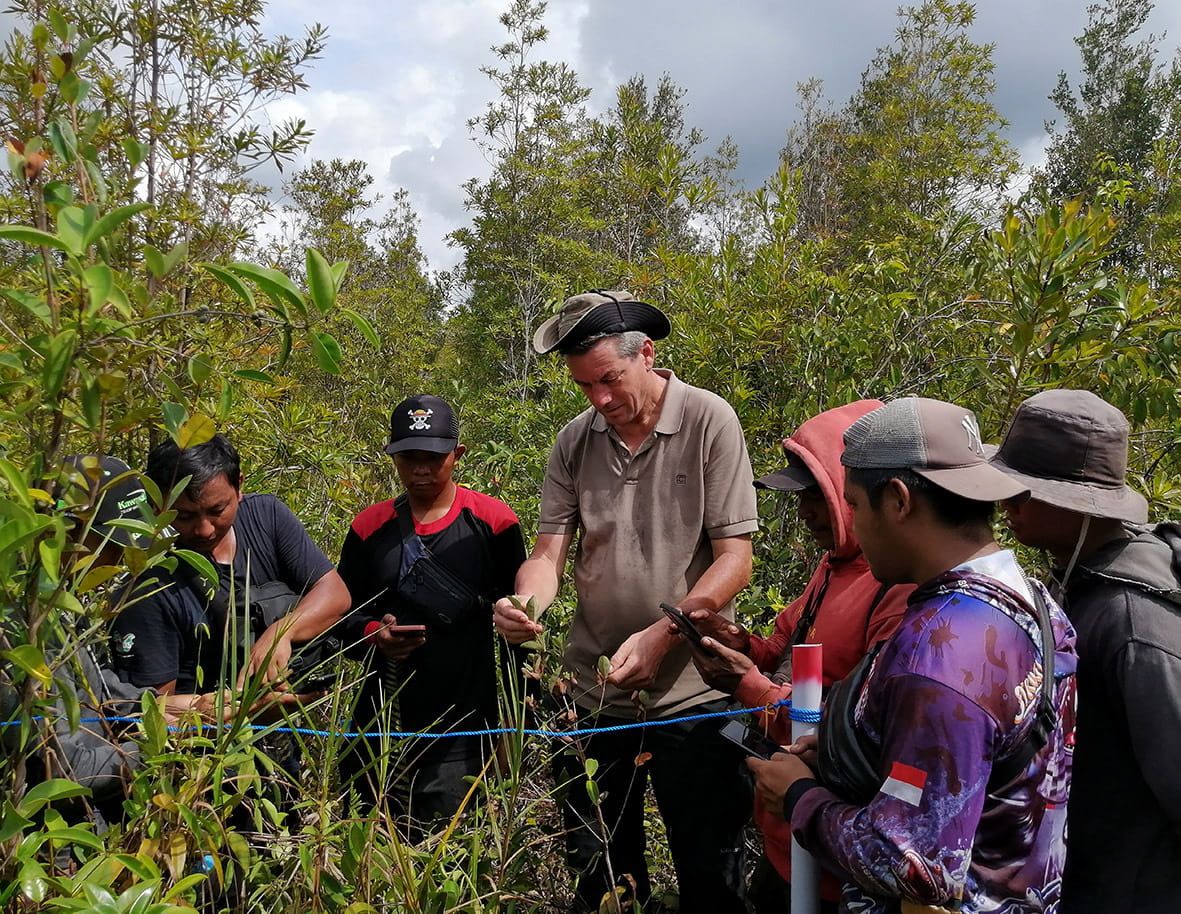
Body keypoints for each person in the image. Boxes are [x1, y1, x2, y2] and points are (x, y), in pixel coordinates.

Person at [746, 397, 1078, 913]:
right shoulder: (1031, 600)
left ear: (898, 501)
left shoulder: (939, 655)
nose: (851, 526)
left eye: (855, 505)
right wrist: (846, 751)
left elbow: (915, 866)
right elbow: (976, 767)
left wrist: (800, 798)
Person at [493, 290, 758, 914]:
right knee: (602, 873)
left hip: (693, 693)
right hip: (593, 692)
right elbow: (549, 552)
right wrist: (526, 602)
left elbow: (734, 559)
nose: (600, 400)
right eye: (585, 386)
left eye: (609, 380)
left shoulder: (708, 420)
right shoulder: (575, 441)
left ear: (647, 354)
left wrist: (665, 633)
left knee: (709, 869)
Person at [675, 401, 913, 913]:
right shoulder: (835, 566)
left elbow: (862, 727)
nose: (804, 512)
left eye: (815, 495)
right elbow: (786, 653)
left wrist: (747, 686)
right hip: (790, 838)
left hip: (841, 861)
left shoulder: (895, 587)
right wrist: (741, 645)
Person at [989, 389, 1181, 913]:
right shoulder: (1076, 580)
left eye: (1024, 490)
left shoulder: (1135, 622)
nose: (1008, 503)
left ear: (1073, 500)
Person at [336, 394, 526, 827]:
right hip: (380, 719)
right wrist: (372, 633)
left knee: (450, 851)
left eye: (432, 458)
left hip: (463, 725)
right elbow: (338, 615)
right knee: (368, 843)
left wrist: (513, 725)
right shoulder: (369, 528)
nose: (420, 469)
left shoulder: (494, 523)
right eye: (407, 458)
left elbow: (517, 626)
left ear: (457, 455)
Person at [1, 456, 217, 828]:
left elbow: (96, 691)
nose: (120, 561)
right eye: (113, 546)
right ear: (67, 533)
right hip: (46, 839)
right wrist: (159, 740)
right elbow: (69, 769)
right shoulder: (20, 629)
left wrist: (188, 708)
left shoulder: (55, 604)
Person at [110, 434, 350, 696]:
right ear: (157, 506)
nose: (204, 530)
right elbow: (156, 710)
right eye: (185, 515)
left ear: (239, 487)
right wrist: (246, 713)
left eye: (217, 510)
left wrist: (279, 634)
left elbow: (335, 593)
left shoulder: (266, 516)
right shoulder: (149, 584)